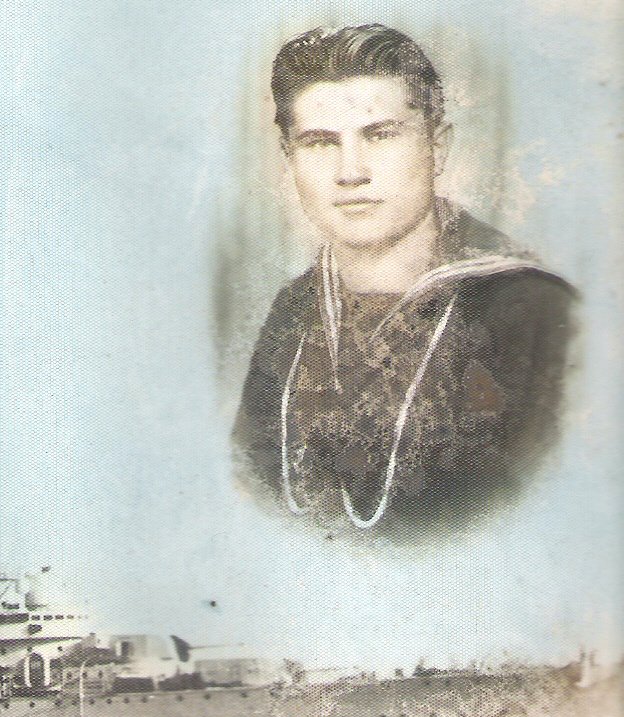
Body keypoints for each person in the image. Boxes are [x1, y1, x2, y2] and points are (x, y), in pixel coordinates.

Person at [233, 25, 576, 538]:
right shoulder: (293, 311)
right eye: (320, 142)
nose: (351, 172)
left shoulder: (535, 311)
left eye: (381, 135)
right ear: (290, 160)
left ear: (437, 146)